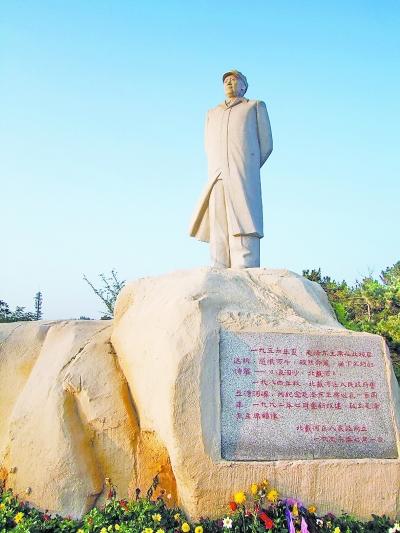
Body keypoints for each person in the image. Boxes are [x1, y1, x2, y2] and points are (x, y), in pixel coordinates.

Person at [189, 70, 273, 268]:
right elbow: (207, 145)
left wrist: (247, 167)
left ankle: (245, 266)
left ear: (244, 86)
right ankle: (219, 266)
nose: (228, 83)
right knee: (218, 223)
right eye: (226, 81)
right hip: (217, 175)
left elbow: (267, 145)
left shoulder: (254, 106)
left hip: (242, 174)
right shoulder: (212, 113)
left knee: (244, 220)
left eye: (234, 80)